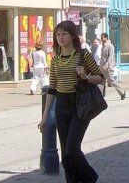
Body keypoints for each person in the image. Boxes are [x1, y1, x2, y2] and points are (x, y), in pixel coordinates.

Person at [38, 20, 103, 183]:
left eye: (64, 34)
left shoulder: (83, 55)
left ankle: (90, 177)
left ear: (72, 35)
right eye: (58, 34)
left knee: (72, 149)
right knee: (66, 153)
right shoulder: (55, 59)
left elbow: (101, 78)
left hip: (79, 104)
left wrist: (85, 76)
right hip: (61, 106)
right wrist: (45, 116)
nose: (60, 37)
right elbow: (52, 88)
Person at [99, 33, 126, 100]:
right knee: (101, 81)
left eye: (102, 38)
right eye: (101, 38)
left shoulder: (110, 46)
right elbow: (102, 58)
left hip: (107, 67)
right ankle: (100, 96)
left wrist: (107, 65)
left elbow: (110, 57)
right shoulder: (102, 46)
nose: (101, 39)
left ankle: (122, 92)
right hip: (102, 67)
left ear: (106, 38)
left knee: (112, 81)